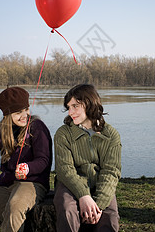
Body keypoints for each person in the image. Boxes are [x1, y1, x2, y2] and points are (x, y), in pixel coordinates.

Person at [0, 86, 52, 232]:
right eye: (18, 112)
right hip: (7, 182)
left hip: (33, 182)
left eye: (26, 109)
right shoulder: (1, 131)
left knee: (14, 207)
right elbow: (6, 164)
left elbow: (43, 160)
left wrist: (28, 168)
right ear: (7, 114)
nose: (24, 115)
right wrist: (11, 172)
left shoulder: (37, 127)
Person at [53, 84, 121, 232]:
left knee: (110, 217)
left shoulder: (111, 135)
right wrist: (83, 195)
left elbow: (111, 171)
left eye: (75, 106)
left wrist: (99, 205)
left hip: (100, 184)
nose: (70, 112)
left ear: (89, 104)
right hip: (69, 185)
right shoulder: (63, 133)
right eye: (68, 107)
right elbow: (64, 169)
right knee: (67, 209)